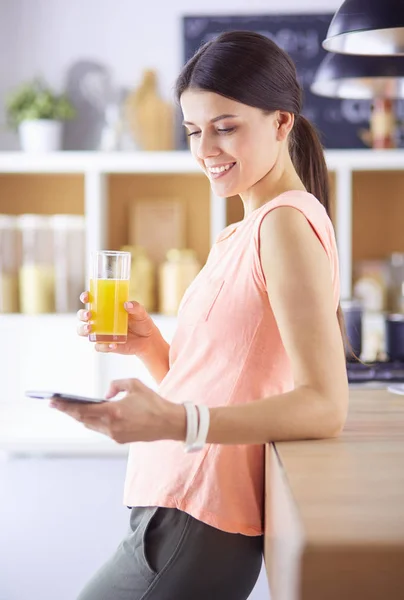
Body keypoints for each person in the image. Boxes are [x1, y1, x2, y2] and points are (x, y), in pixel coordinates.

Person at [51, 30, 349, 600]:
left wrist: (173, 422)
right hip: (175, 507)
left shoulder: (285, 225)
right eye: (193, 131)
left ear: (281, 122)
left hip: (199, 516)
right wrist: (151, 349)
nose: (205, 149)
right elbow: (226, 386)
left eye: (225, 127)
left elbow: (324, 405)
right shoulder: (241, 231)